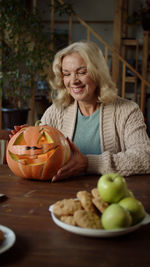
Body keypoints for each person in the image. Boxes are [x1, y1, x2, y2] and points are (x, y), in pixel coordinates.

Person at [12, 41, 150, 181]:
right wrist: (25, 141)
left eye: (82, 72)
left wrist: (89, 163)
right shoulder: (55, 112)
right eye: (67, 74)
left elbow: (145, 157)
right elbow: (40, 159)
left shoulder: (127, 111)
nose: (73, 81)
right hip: (61, 195)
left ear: (98, 73)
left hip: (111, 195)